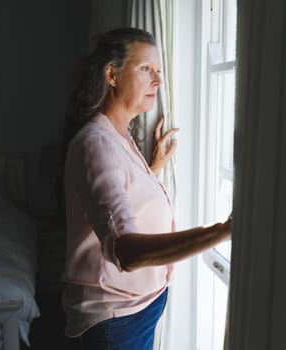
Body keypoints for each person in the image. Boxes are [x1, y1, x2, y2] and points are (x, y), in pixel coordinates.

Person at [61, 27, 232, 350]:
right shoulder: (96, 144)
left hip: (136, 309)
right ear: (112, 75)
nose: (158, 81)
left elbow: (114, 199)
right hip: (116, 320)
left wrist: (151, 170)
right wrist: (223, 231)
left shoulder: (118, 135)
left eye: (160, 71)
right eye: (146, 69)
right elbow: (126, 251)